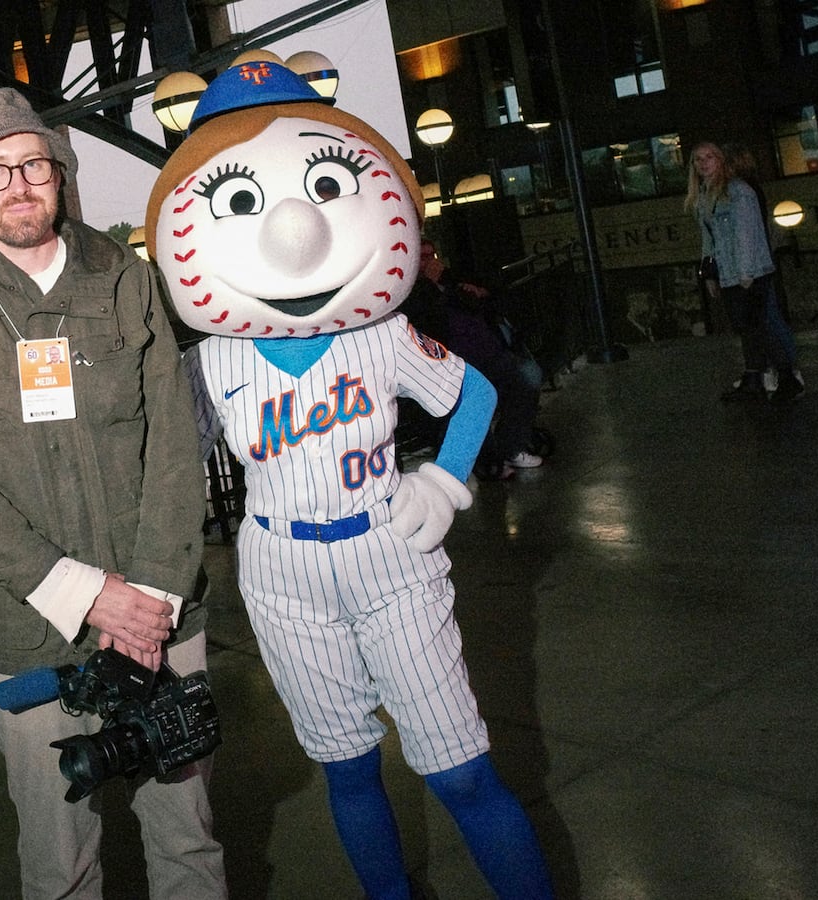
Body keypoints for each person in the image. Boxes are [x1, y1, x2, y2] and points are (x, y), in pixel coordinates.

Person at [143, 61, 552, 898]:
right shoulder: (210, 362)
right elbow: (158, 456)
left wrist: (443, 479)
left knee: (462, 771)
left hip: (390, 553)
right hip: (282, 572)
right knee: (348, 769)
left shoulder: (383, 332)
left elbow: (472, 390)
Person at [0, 87, 227, 899]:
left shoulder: (128, 281)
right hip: (27, 635)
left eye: (34, 164)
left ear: (61, 174)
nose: (17, 183)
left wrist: (145, 599)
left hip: (160, 616)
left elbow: (174, 447)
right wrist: (87, 597)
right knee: (59, 863)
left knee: (188, 841)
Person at [403, 239, 545, 476]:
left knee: (529, 377)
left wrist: (451, 283)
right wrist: (432, 284)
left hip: (489, 351)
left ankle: (511, 445)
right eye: (423, 257)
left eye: (432, 256)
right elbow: (426, 319)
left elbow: (481, 296)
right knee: (476, 396)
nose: (430, 262)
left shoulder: (450, 279)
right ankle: (487, 460)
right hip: (453, 362)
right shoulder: (413, 291)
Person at [686, 141, 803, 401]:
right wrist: (710, 275)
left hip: (750, 272)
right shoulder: (704, 196)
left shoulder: (738, 191)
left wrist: (747, 273)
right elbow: (709, 239)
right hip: (729, 272)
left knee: (759, 325)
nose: (703, 163)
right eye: (697, 159)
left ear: (720, 160)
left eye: (709, 157)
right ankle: (757, 379)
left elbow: (747, 234)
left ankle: (782, 377)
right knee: (747, 327)